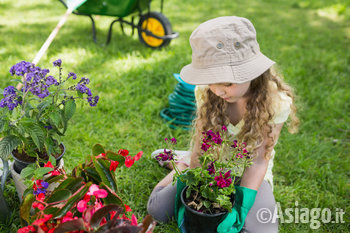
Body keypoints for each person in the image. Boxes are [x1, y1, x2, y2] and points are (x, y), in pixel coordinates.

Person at [147, 16, 299, 233]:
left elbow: (257, 163)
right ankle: (181, 163)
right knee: (158, 210)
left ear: (252, 73)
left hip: (246, 172)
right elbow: (202, 143)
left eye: (227, 83)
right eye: (211, 81)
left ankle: (181, 159)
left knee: (263, 230)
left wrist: (240, 208)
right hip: (211, 164)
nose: (218, 91)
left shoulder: (275, 102)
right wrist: (193, 180)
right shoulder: (207, 92)